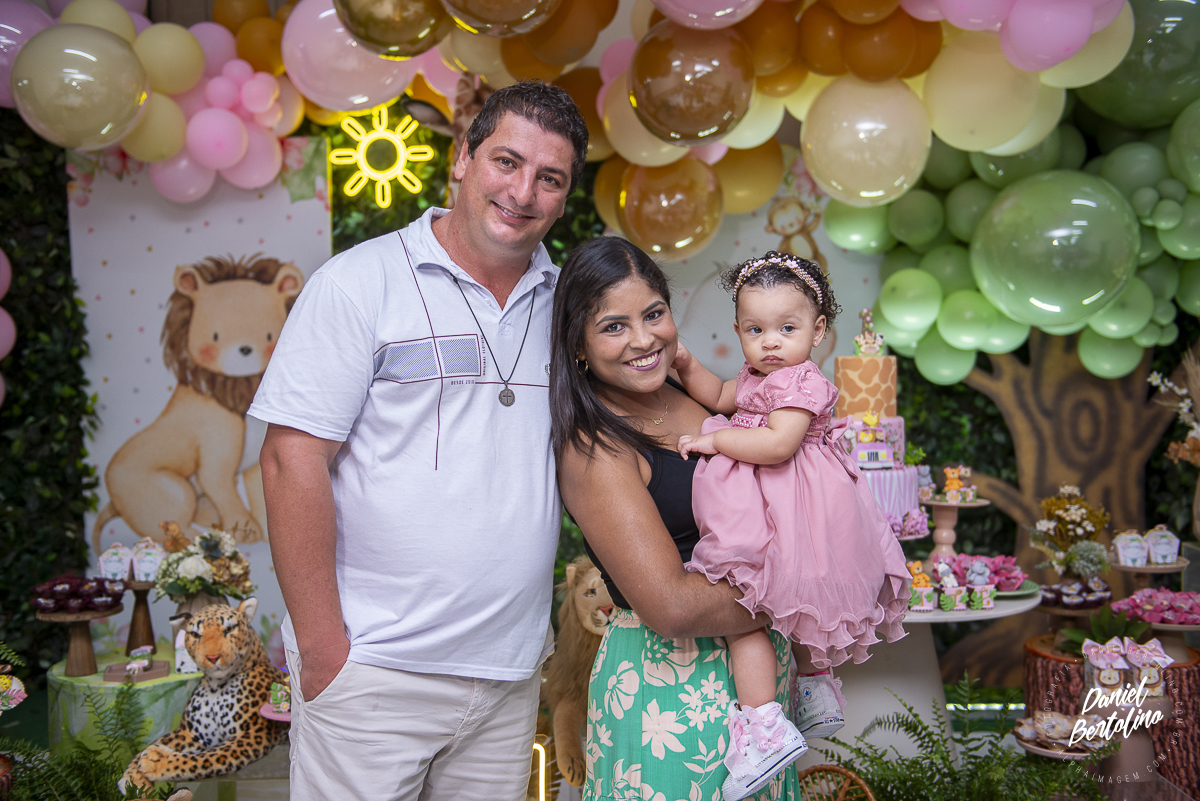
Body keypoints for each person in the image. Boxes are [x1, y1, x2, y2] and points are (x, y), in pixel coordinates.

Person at [249, 81, 588, 801]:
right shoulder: (359, 283)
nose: (522, 192)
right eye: (506, 162)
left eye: (549, 178)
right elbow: (288, 460)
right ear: (463, 158)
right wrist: (325, 650)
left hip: (508, 675)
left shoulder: (570, 306)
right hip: (375, 671)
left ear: (563, 197)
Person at [551, 237, 805, 801]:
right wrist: (808, 584)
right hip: (668, 691)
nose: (644, 340)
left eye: (653, 314)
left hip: (756, 686)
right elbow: (671, 606)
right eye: (613, 326)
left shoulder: (687, 391)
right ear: (578, 344)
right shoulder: (594, 445)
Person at [673, 251, 911, 799]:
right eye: (755, 330)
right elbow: (720, 396)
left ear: (818, 330)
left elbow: (778, 445)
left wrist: (715, 439)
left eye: (787, 328)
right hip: (774, 502)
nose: (770, 343)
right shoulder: (757, 376)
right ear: (739, 330)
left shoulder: (801, 382)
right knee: (788, 602)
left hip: (798, 505)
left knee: (761, 603)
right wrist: (686, 366)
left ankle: (768, 728)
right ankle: (814, 692)